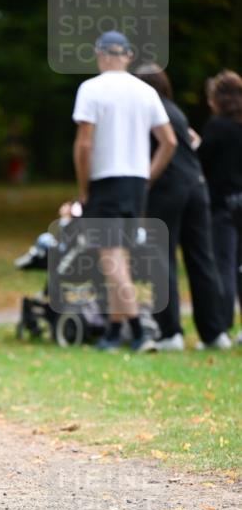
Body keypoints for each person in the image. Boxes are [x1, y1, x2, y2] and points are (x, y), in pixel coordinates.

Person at [72, 31, 177, 352]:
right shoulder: (145, 91)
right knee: (122, 260)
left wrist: (83, 187)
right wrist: (147, 177)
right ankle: (114, 333)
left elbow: (84, 144)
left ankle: (138, 330)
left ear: (100, 54)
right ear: (128, 56)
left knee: (111, 261)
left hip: (106, 181)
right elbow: (169, 142)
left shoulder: (91, 89)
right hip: (135, 184)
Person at [137, 65, 231, 350]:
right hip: (197, 188)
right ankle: (214, 334)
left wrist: (145, 182)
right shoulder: (175, 111)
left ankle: (169, 333)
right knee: (202, 260)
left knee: (161, 258)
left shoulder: (149, 111)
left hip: (168, 189)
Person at [198, 70, 242, 342]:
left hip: (223, 205)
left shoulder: (217, 127)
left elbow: (202, 162)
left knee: (223, 264)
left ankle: (222, 325)